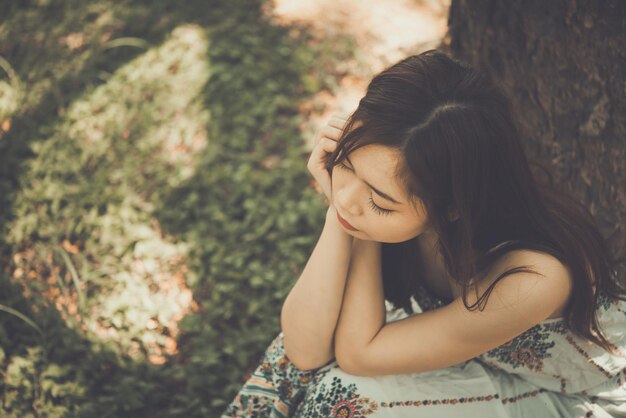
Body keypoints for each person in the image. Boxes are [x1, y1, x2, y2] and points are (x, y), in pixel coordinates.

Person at [221, 49, 626, 417]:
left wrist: (361, 229)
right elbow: (302, 352)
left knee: (343, 399)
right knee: (300, 370)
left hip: (578, 397)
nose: (345, 198)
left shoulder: (533, 277)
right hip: (477, 358)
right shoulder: (397, 211)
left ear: (452, 207)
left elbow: (359, 354)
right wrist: (343, 218)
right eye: (344, 165)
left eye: (380, 200)